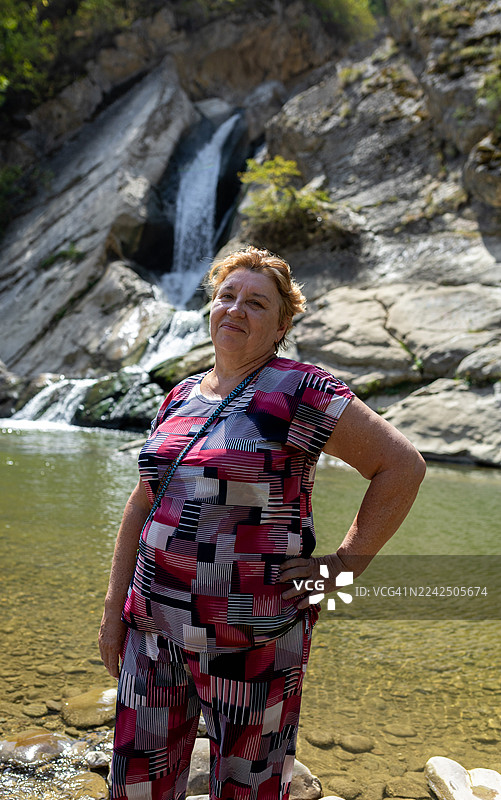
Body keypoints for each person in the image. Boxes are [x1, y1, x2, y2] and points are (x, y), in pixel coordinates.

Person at [99, 246, 426, 800]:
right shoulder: (180, 395)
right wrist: (114, 611)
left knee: (247, 789)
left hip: (252, 638)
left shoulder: (302, 390)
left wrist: (340, 570)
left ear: (281, 325)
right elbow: (143, 500)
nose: (235, 309)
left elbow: (402, 466)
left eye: (255, 302)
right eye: (226, 296)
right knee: (135, 786)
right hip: (153, 632)